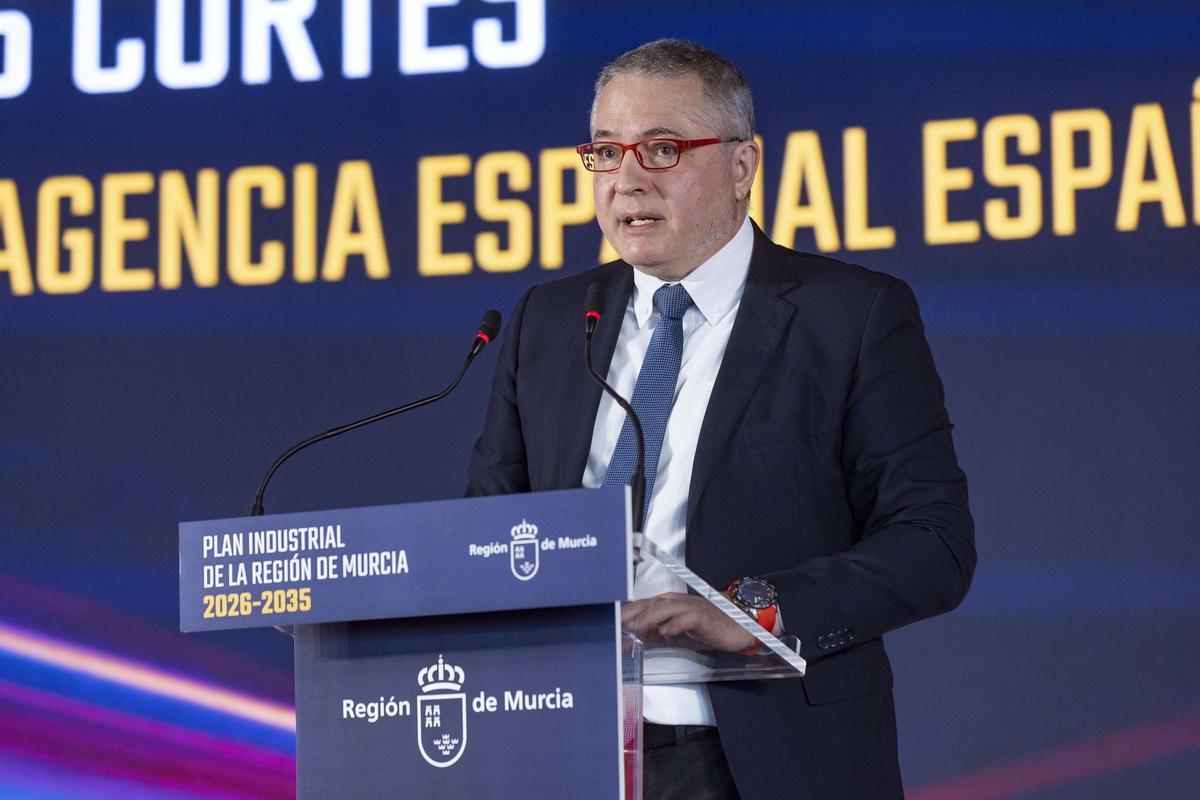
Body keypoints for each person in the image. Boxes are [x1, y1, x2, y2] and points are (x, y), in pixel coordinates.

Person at [467, 39, 975, 800]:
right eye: (605, 151)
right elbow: (491, 531)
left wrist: (754, 613)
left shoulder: (849, 316)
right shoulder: (551, 319)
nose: (627, 178)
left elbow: (933, 545)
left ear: (742, 167)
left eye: (662, 148)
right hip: (568, 749)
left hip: (759, 756)